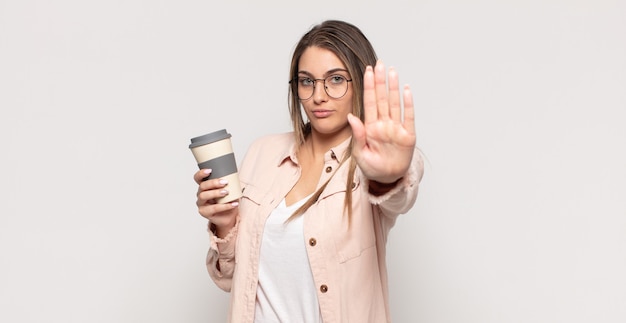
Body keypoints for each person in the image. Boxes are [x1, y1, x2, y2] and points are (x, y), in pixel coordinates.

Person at [194, 19, 424, 323]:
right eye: (307, 81)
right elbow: (230, 280)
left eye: (336, 79)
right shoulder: (262, 153)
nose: (319, 96)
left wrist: (389, 175)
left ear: (361, 81)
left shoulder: (374, 161)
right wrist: (223, 226)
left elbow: (399, 196)